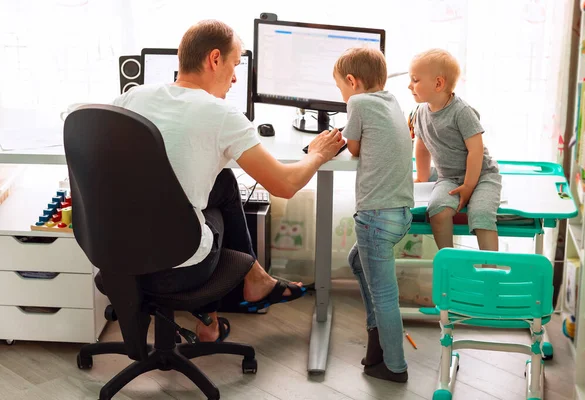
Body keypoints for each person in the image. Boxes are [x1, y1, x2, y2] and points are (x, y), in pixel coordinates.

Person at [112, 20, 344, 343]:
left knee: (222, 181)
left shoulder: (131, 98)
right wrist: (317, 154)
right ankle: (253, 281)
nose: (236, 77)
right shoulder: (220, 114)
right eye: (234, 65)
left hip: (118, 259)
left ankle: (217, 317)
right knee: (215, 203)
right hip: (178, 268)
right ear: (215, 59)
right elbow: (285, 185)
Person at [334, 47, 414, 383]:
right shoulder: (391, 101)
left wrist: (341, 133)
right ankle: (375, 338)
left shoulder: (358, 103)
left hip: (376, 216)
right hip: (401, 212)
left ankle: (394, 366)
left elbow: (353, 146)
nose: (342, 96)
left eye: (340, 88)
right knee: (357, 262)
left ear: (352, 81)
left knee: (385, 294)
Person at [408, 48, 501, 252]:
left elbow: (475, 150)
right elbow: (422, 147)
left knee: (481, 214)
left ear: (438, 83)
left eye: (415, 80)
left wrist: (469, 185)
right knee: (438, 211)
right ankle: (449, 260)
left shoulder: (462, 112)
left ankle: (490, 268)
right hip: (449, 178)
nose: (409, 86)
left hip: (482, 176)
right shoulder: (420, 113)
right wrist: (422, 177)